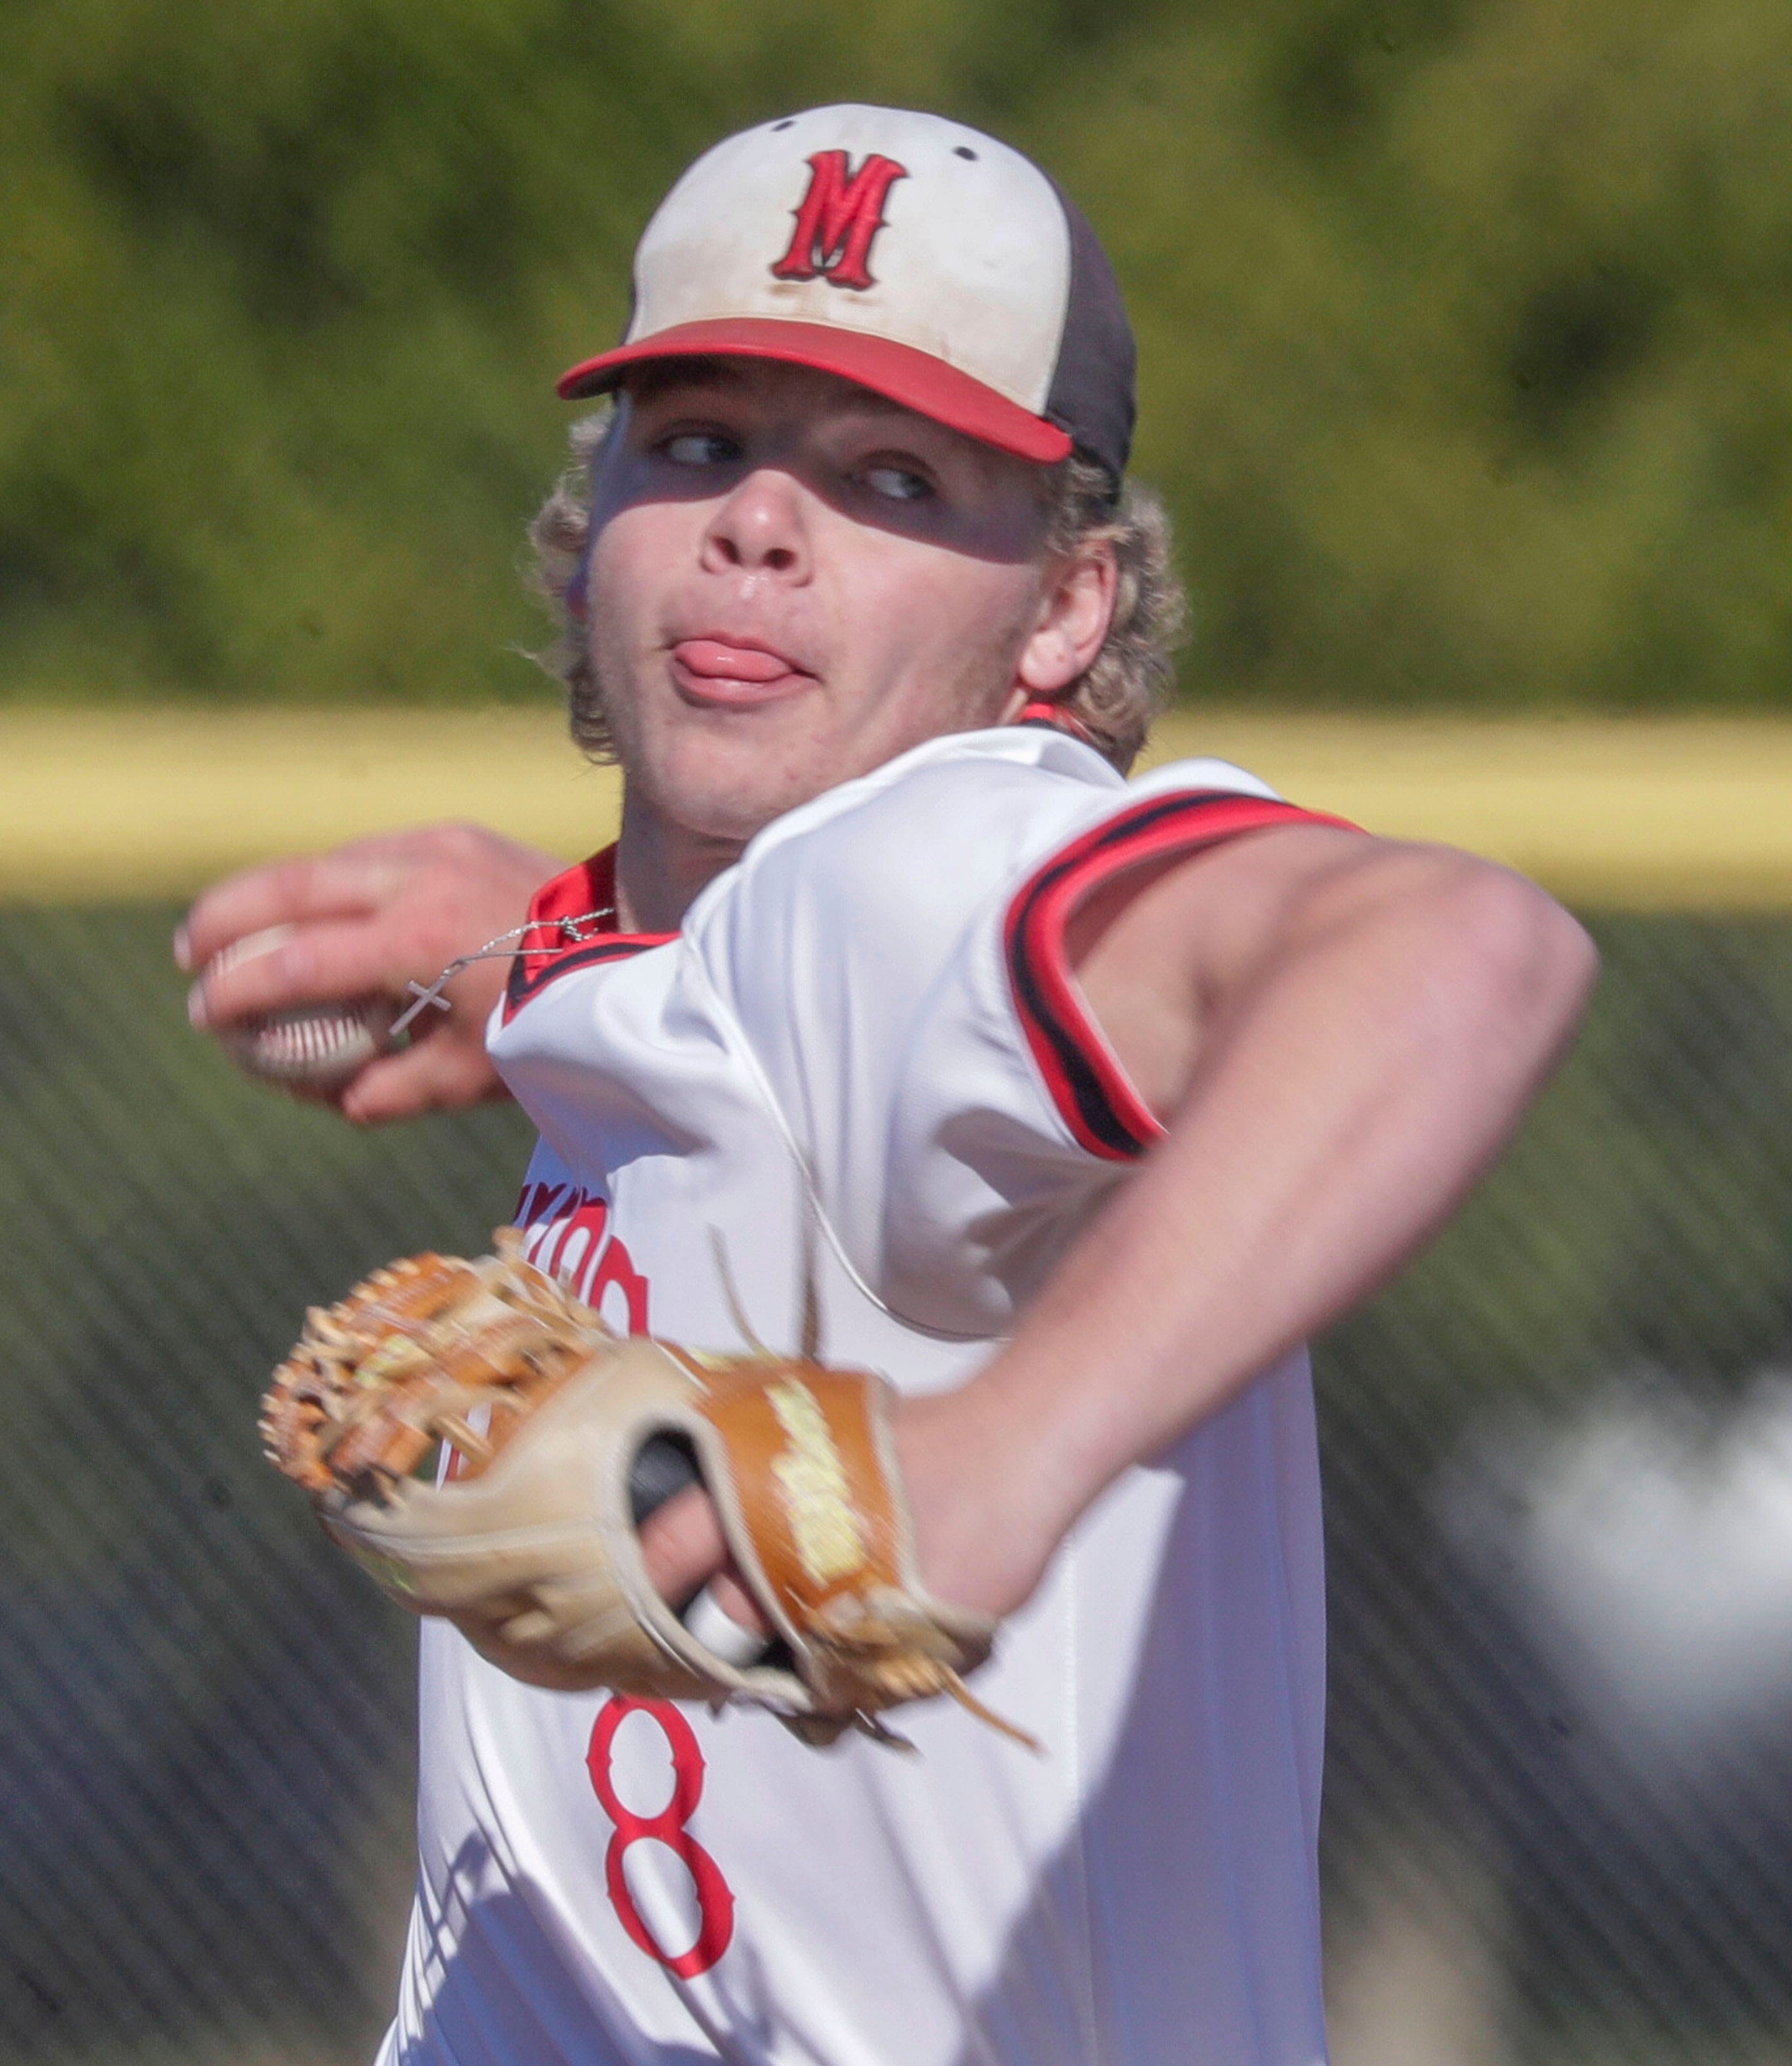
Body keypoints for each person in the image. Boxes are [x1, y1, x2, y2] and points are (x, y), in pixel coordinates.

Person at [179, 105, 1595, 2066]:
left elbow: (1464, 952)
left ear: (1069, 608)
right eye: (697, 442)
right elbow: (754, 1039)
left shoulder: (921, 881)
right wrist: (539, 959)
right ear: (596, 536)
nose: (763, 519)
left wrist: (991, 1460)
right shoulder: (725, 970)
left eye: (893, 473)